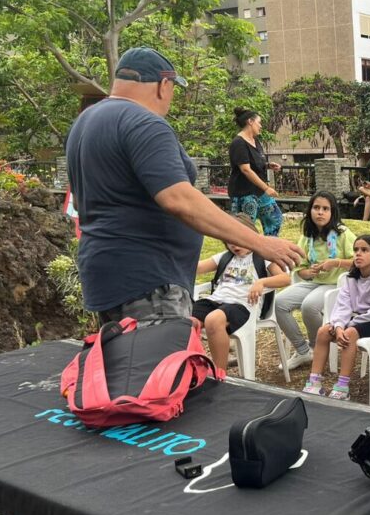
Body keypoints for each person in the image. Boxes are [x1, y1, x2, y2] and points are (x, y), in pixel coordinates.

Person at [65, 46, 302, 323]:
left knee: (126, 362)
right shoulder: (144, 123)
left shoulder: (84, 123)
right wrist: (260, 242)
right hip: (149, 280)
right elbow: (179, 199)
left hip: (106, 272)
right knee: (157, 364)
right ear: (163, 85)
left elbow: (80, 203)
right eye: (174, 89)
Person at [303, 235, 370, 400]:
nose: (358, 254)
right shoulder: (350, 278)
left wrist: (346, 327)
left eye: (364, 250)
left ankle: (342, 386)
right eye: (356, 250)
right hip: (353, 321)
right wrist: (338, 326)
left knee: (350, 333)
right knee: (324, 331)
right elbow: (342, 305)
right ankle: (314, 382)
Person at [193, 214, 289, 373]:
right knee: (186, 321)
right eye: (230, 241)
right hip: (216, 300)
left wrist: (262, 282)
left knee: (213, 319)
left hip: (243, 306)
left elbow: (285, 278)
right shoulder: (225, 257)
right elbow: (197, 267)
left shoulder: (262, 258)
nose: (235, 246)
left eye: (239, 240)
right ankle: (194, 367)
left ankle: (219, 375)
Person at [274, 191, 356, 370]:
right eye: (316, 208)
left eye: (325, 209)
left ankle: (318, 346)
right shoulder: (308, 235)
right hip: (312, 283)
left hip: (335, 285)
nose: (320, 212)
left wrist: (335, 263)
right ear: (310, 210)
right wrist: (306, 272)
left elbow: (358, 262)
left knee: (309, 306)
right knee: (279, 302)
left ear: (332, 212)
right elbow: (299, 267)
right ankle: (304, 351)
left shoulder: (343, 234)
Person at [227, 106, 284, 236]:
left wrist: (268, 165)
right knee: (246, 229)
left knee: (275, 219)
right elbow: (246, 170)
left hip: (259, 192)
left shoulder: (255, 140)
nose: (261, 126)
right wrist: (266, 188)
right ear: (250, 122)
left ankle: (269, 249)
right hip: (244, 194)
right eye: (259, 122)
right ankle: (245, 254)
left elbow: (254, 162)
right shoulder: (238, 143)